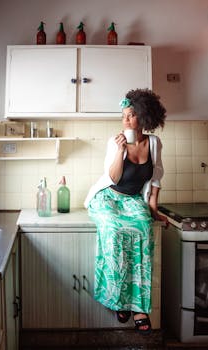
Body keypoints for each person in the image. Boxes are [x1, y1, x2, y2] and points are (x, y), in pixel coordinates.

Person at [84, 88, 168, 335]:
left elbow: (156, 178)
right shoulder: (115, 141)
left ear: (144, 117)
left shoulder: (154, 143)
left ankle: (139, 307)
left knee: (143, 230)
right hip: (108, 197)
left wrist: (153, 209)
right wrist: (120, 152)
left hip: (132, 200)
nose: (126, 121)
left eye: (131, 115)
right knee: (113, 228)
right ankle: (118, 299)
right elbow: (113, 177)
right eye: (124, 116)